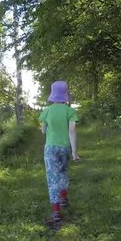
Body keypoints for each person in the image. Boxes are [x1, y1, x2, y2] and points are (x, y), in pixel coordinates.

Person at [38, 80, 79, 229]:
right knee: (62, 172)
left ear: (53, 95)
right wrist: (74, 152)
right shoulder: (70, 112)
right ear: (66, 95)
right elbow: (72, 131)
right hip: (65, 148)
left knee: (52, 178)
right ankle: (63, 198)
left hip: (50, 148)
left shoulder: (47, 111)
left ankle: (56, 212)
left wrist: (49, 129)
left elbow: (43, 131)